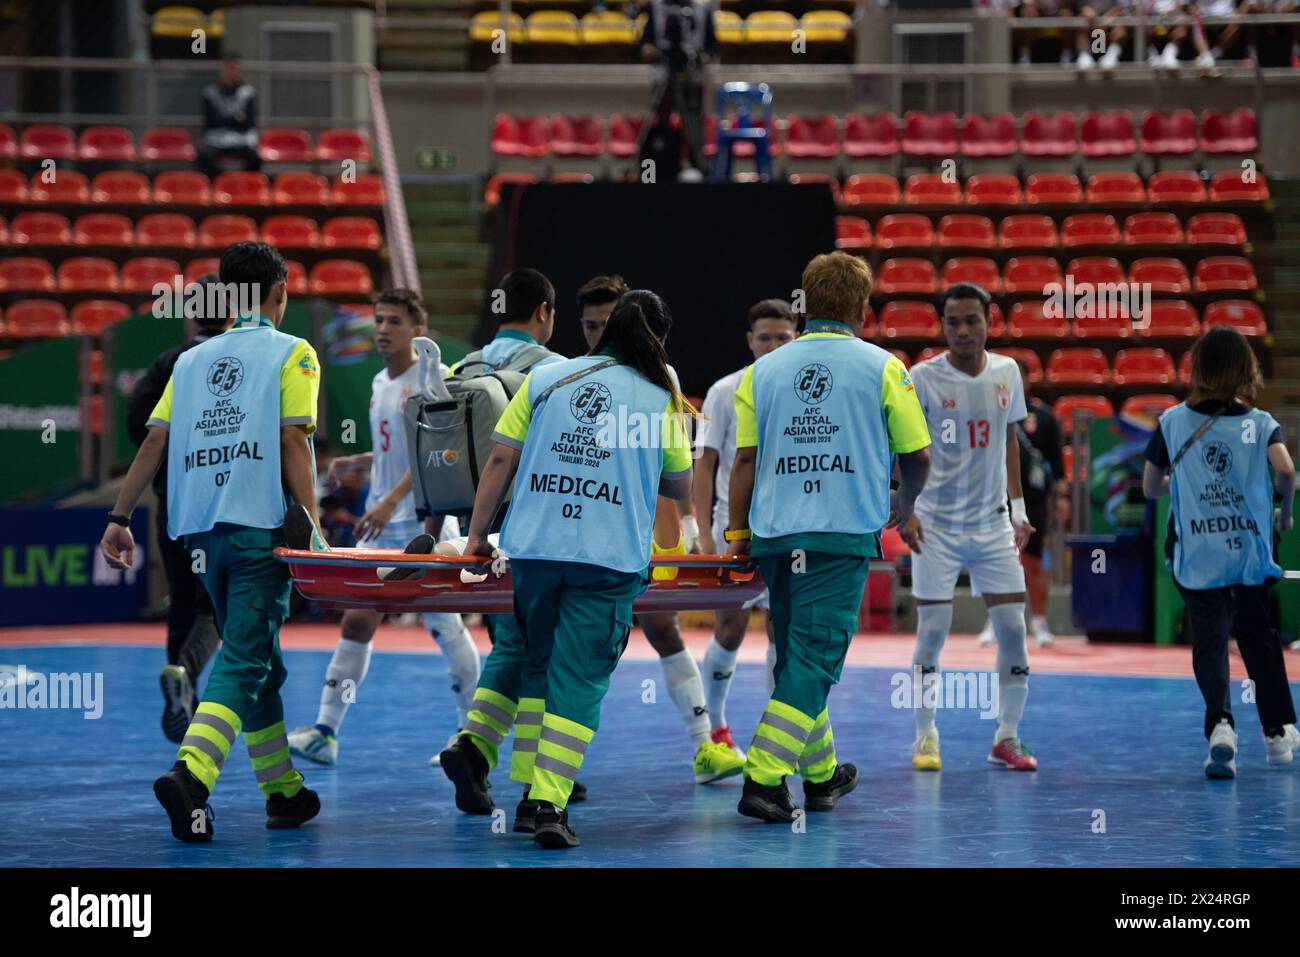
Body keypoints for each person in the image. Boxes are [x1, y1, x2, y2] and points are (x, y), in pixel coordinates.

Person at [446, 289, 696, 848]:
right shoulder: (657, 396)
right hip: (606, 560)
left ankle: (513, 779)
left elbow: (502, 458)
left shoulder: (548, 379)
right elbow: (679, 485)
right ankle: (547, 804)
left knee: (538, 666)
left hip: (533, 551)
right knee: (578, 680)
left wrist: (478, 538)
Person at [100, 241, 324, 842]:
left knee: (262, 665)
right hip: (260, 535)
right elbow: (294, 442)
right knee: (245, 659)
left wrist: (118, 518)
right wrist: (314, 524)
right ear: (281, 292)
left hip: (201, 539)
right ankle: (191, 775)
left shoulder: (190, 363)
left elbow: (152, 443)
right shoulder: (293, 354)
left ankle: (283, 792)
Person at [727, 252, 932, 823]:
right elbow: (917, 456)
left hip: (775, 534)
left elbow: (745, 460)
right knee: (814, 661)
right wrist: (905, 502)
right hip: (839, 535)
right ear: (862, 309)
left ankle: (821, 776)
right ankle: (764, 779)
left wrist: (737, 533)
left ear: (806, 303)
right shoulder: (883, 367)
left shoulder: (761, 371)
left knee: (797, 657)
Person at [287, 289, 479, 768]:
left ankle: (473, 737)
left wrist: (392, 499)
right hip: (381, 524)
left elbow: (438, 454)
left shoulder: (433, 381)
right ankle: (325, 734)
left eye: (394, 321)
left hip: (421, 522)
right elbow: (396, 452)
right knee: (357, 619)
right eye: (378, 320)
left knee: (444, 625)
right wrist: (360, 462)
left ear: (418, 328)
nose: (382, 329)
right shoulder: (378, 383)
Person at [573, 273, 746, 781]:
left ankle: (705, 744)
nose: (599, 334)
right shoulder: (572, 377)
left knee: (661, 626)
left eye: (607, 324)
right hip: (587, 529)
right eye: (589, 325)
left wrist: (691, 525)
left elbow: (679, 461)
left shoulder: (660, 375)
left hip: (645, 530)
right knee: (576, 641)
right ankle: (546, 758)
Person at [1142, 325, 1299, 778]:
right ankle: (1275, 736)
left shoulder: (1171, 423)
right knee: (1258, 637)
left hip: (1198, 554)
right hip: (1248, 551)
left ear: (1198, 369)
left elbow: (1152, 488)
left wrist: (1181, 485)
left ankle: (1221, 728)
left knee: (1210, 644)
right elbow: (1286, 472)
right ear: (1245, 370)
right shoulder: (1261, 423)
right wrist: (1284, 514)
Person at [434, 267, 570, 779]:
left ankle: (477, 749)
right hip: (530, 522)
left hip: (473, 517)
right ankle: (533, 774)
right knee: (538, 645)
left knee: (511, 638)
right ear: (544, 313)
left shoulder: (461, 367)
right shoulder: (555, 370)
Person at [904, 283, 1039, 774]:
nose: (962, 330)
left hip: (992, 524)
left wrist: (1018, 507)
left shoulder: (1007, 372)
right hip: (934, 525)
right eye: (953, 322)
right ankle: (925, 735)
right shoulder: (920, 378)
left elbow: (1009, 440)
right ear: (942, 326)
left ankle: (1006, 736)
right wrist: (905, 509)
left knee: (1012, 629)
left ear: (989, 321)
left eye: (971, 321)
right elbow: (899, 447)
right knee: (932, 632)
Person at [126, 273, 231, 743]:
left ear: (191, 314)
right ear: (232, 312)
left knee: (182, 599)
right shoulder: (240, 360)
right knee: (214, 605)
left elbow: (139, 426)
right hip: (225, 499)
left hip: (174, 498)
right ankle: (185, 674)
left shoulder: (169, 361)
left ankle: (179, 690)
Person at [693, 299, 796, 743]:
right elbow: (704, 465)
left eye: (783, 337)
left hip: (788, 530)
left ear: (797, 338)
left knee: (782, 634)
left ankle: (776, 735)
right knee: (730, 630)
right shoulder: (724, 390)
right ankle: (715, 724)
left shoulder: (806, 388)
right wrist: (701, 533)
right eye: (765, 337)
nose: (773, 345)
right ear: (749, 341)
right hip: (731, 530)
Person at [978, 360, 1067, 648]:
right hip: (996, 497)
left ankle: (1039, 622)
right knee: (997, 563)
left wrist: (1062, 498)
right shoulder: (991, 416)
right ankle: (994, 621)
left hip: (1035, 500)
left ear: (1026, 381)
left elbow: (1057, 463)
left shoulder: (1045, 417)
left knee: (1033, 564)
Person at [640, 0, 717, 174]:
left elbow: (711, 48)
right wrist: (656, 52)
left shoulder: (703, 10)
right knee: (661, 122)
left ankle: (697, 166)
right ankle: (657, 168)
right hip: (663, 77)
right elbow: (645, 44)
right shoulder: (656, 7)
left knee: (693, 124)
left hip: (692, 79)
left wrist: (699, 57)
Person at [197, 53, 260, 178]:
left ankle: (244, 185)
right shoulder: (209, 93)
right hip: (217, 138)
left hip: (241, 139)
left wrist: (223, 119)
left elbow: (249, 123)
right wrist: (236, 118)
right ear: (220, 69)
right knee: (203, 157)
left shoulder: (247, 92)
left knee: (255, 158)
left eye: (234, 68)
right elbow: (210, 123)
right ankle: (222, 182)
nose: (230, 72)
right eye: (227, 68)